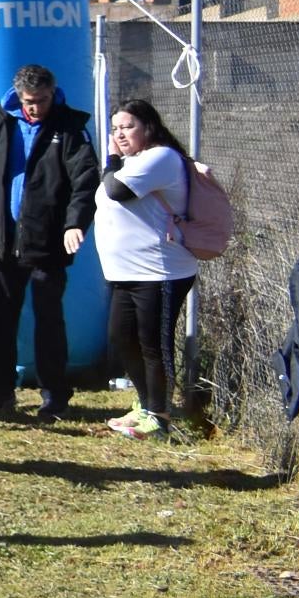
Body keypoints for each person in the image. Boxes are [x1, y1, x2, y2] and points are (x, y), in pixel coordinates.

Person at [0, 64, 99, 419]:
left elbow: (85, 180)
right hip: (3, 242)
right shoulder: (1, 122)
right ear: (19, 96)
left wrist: (75, 224)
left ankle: (54, 396)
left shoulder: (70, 127)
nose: (36, 107)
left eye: (42, 100)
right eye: (29, 101)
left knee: (49, 319)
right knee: (0, 318)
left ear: (53, 93)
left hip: (47, 243)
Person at [94, 96, 198, 438]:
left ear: (148, 127)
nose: (120, 134)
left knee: (153, 343)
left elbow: (116, 191)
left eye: (127, 127)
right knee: (122, 338)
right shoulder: (131, 162)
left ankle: (161, 417)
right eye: (114, 129)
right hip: (124, 273)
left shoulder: (161, 157)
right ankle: (144, 404)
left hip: (160, 271)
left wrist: (110, 158)